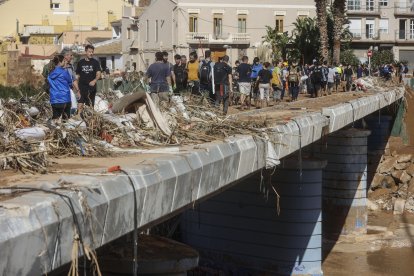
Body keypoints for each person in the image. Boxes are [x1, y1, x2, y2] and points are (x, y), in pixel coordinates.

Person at [74, 45, 101, 112]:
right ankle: (79, 118)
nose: (91, 53)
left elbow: (98, 74)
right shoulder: (80, 62)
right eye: (89, 52)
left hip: (91, 88)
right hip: (82, 87)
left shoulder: (95, 62)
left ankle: (90, 119)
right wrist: (76, 87)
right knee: (80, 105)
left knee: (90, 107)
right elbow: (77, 75)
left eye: (92, 52)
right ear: (86, 52)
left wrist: (94, 81)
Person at [47, 55, 72, 126]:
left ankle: (55, 134)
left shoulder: (50, 73)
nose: (65, 62)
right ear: (60, 62)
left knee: (55, 118)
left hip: (54, 99)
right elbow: (70, 82)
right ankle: (65, 135)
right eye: (64, 61)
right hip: (65, 98)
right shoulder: (64, 72)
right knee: (65, 121)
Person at [61, 48, 78, 114]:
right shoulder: (59, 66)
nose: (71, 57)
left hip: (69, 89)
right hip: (61, 90)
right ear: (65, 56)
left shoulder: (71, 66)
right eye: (69, 55)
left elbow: (73, 79)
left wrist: (77, 90)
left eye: (71, 55)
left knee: (73, 107)